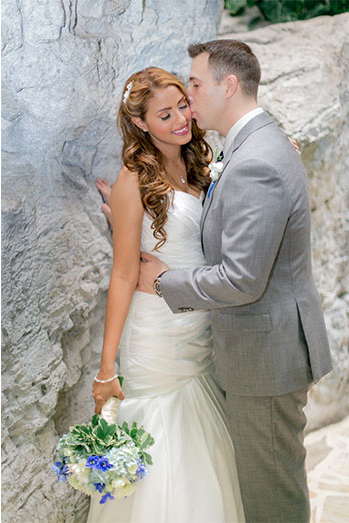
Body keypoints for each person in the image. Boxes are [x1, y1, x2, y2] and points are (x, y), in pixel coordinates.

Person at [137, 40, 332, 522]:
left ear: (229, 85)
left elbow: (243, 279)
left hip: (264, 358)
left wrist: (165, 282)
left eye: (196, 85)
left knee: (271, 493)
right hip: (263, 348)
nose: (191, 96)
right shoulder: (255, 144)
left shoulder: (256, 161)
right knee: (264, 480)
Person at [89, 67, 244, 522]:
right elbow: (122, 276)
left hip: (201, 327)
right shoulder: (133, 180)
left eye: (182, 106)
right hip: (157, 333)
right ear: (140, 123)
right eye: (164, 114)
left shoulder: (201, 162)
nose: (181, 119)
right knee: (164, 441)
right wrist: (105, 370)